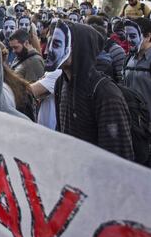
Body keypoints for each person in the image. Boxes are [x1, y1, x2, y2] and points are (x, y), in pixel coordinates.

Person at [47, 20, 134, 160]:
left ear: (80, 49)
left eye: (58, 44)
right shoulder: (61, 83)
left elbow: (118, 156)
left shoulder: (106, 93)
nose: (48, 50)